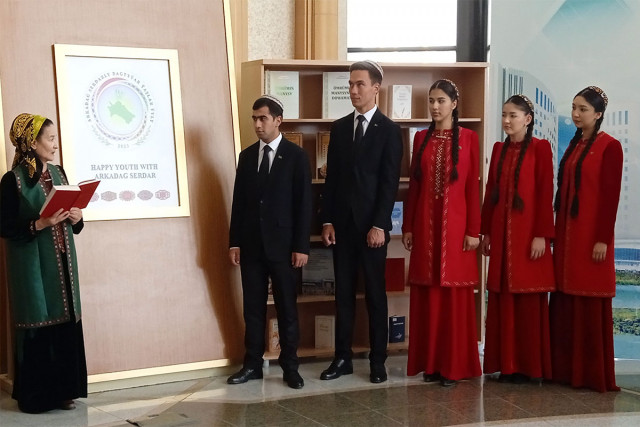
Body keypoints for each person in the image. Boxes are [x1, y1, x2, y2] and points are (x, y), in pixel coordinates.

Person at [319, 60, 403, 384]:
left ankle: (378, 360)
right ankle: (342, 358)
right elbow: (331, 180)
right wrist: (327, 220)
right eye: (351, 84)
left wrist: (380, 225)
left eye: (360, 84)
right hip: (342, 227)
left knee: (375, 296)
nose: (353, 90)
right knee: (343, 296)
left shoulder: (390, 130)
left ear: (375, 88)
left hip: (372, 230)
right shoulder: (340, 128)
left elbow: (389, 183)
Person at [0, 113, 87, 413]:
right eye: (50, 139)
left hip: (63, 261)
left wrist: (77, 217)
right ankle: (37, 397)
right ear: (32, 142)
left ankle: (65, 391)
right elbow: (4, 226)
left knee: (65, 323)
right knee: (38, 321)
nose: (55, 145)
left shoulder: (59, 173)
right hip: (32, 266)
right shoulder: (12, 180)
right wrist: (40, 223)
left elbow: (73, 221)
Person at [227, 95, 312, 389]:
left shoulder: (296, 156)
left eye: (263, 118)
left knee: (287, 309)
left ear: (278, 120)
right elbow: (239, 203)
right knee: (252, 309)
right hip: (252, 246)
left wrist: (301, 246)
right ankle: (252, 364)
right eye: (254, 119)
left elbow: (304, 204)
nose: (257, 124)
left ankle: (290, 367)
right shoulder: (247, 157)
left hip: (284, 247)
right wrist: (235, 242)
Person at [402, 79, 481, 387]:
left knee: (453, 296)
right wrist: (408, 226)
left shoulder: (470, 139)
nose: (435, 107)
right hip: (426, 226)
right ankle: (432, 364)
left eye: (441, 101)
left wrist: (474, 230)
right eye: (431, 101)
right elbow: (414, 187)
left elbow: (473, 188)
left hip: (457, 230)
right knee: (429, 294)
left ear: (454, 104)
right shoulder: (421, 137)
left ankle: (454, 366)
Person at [550, 86, 623, 393]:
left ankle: (590, 374)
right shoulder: (575, 144)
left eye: (582, 109)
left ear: (598, 114)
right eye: (574, 108)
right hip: (568, 235)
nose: (576, 114)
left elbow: (610, 197)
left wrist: (602, 239)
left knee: (589, 301)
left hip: (592, 237)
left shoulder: (610, 146)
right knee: (565, 298)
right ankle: (564, 371)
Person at [480, 95, 555, 384]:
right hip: (500, 236)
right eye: (504, 115)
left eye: (512, 115)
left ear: (528, 119)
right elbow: (490, 193)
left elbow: (545, 193)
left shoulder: (540, 148)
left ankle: (528, 367)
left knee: (527, 300)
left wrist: (541, 235)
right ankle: (506, 365)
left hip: (528, 238)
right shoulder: (499, 149)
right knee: (502, 298)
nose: (506, 120)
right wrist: (486, 231)